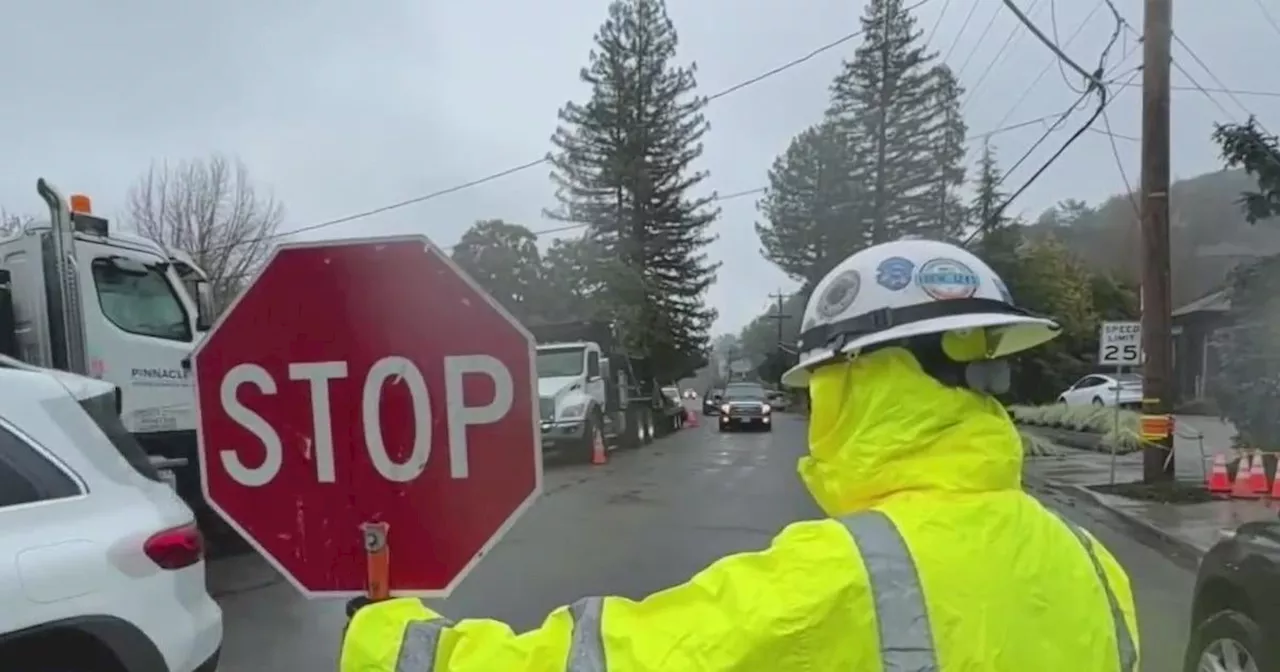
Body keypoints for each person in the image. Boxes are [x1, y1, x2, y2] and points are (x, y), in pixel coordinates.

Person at [340, 238, 1140, 671]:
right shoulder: (1094, 564)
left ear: (855, 383)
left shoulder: (839, 578)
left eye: (823, 382)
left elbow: (612, 661)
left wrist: (392, 640)